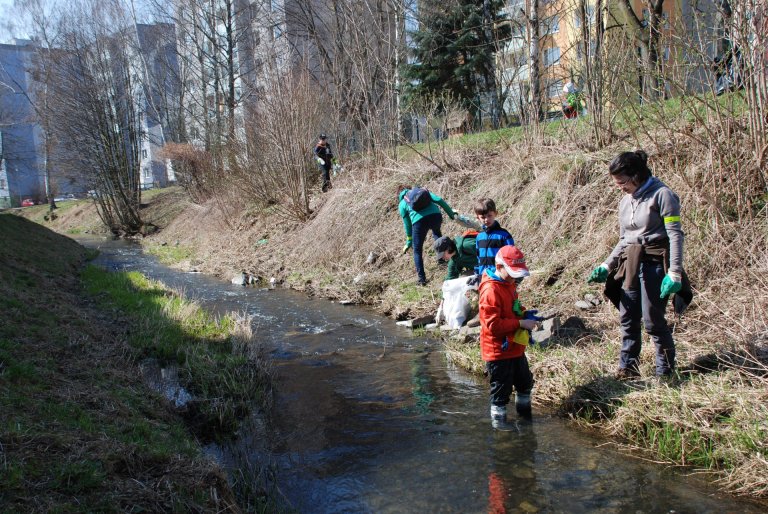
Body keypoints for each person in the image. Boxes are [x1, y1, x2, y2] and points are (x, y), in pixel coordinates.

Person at [587, 150, 690, 380]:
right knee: (627, 317)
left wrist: (674, 272)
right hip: (630, 264)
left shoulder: (663, 195)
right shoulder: (625, 202)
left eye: (622, 182)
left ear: (636, 175)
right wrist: (607, 264)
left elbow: (675, 235)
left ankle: (664, 372)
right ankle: (628, 368)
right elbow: (625, 239)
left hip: (655, 263)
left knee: (653, 321)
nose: (619, 187)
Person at [479, 245, 538, 428]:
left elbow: (513, 308)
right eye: (513, 273)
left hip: (515, 348)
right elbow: (493, 326)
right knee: (500, 393)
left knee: (525, 383)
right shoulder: (490, 291)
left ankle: (525, 420)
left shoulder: (509, 283)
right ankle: (501, 433)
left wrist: (524, 314)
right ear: (499, 267)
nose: (516, 277)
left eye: (518, 274)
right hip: (498, 351)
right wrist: (520, 324)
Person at [398, 186, 457, 286]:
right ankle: (442, 261)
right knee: (437, 234)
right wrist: (451, 214)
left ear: (399, 196)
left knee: (417, 250)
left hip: (419, 222)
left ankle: (422, 279)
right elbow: (439, 200)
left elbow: (407, 224)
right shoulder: (421, 192)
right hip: (436, 215)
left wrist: (409, 241)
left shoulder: (403, 203)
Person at [474, 198, 515, 276]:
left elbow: (511, 258)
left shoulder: (504, 235)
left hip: (499, 276)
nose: (486, 219)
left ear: (495, 213)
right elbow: (479, 258)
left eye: (489, 215)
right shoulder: (479, 237)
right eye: (482, 217)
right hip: (484, 277)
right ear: (478, 218)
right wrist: (478, 273)